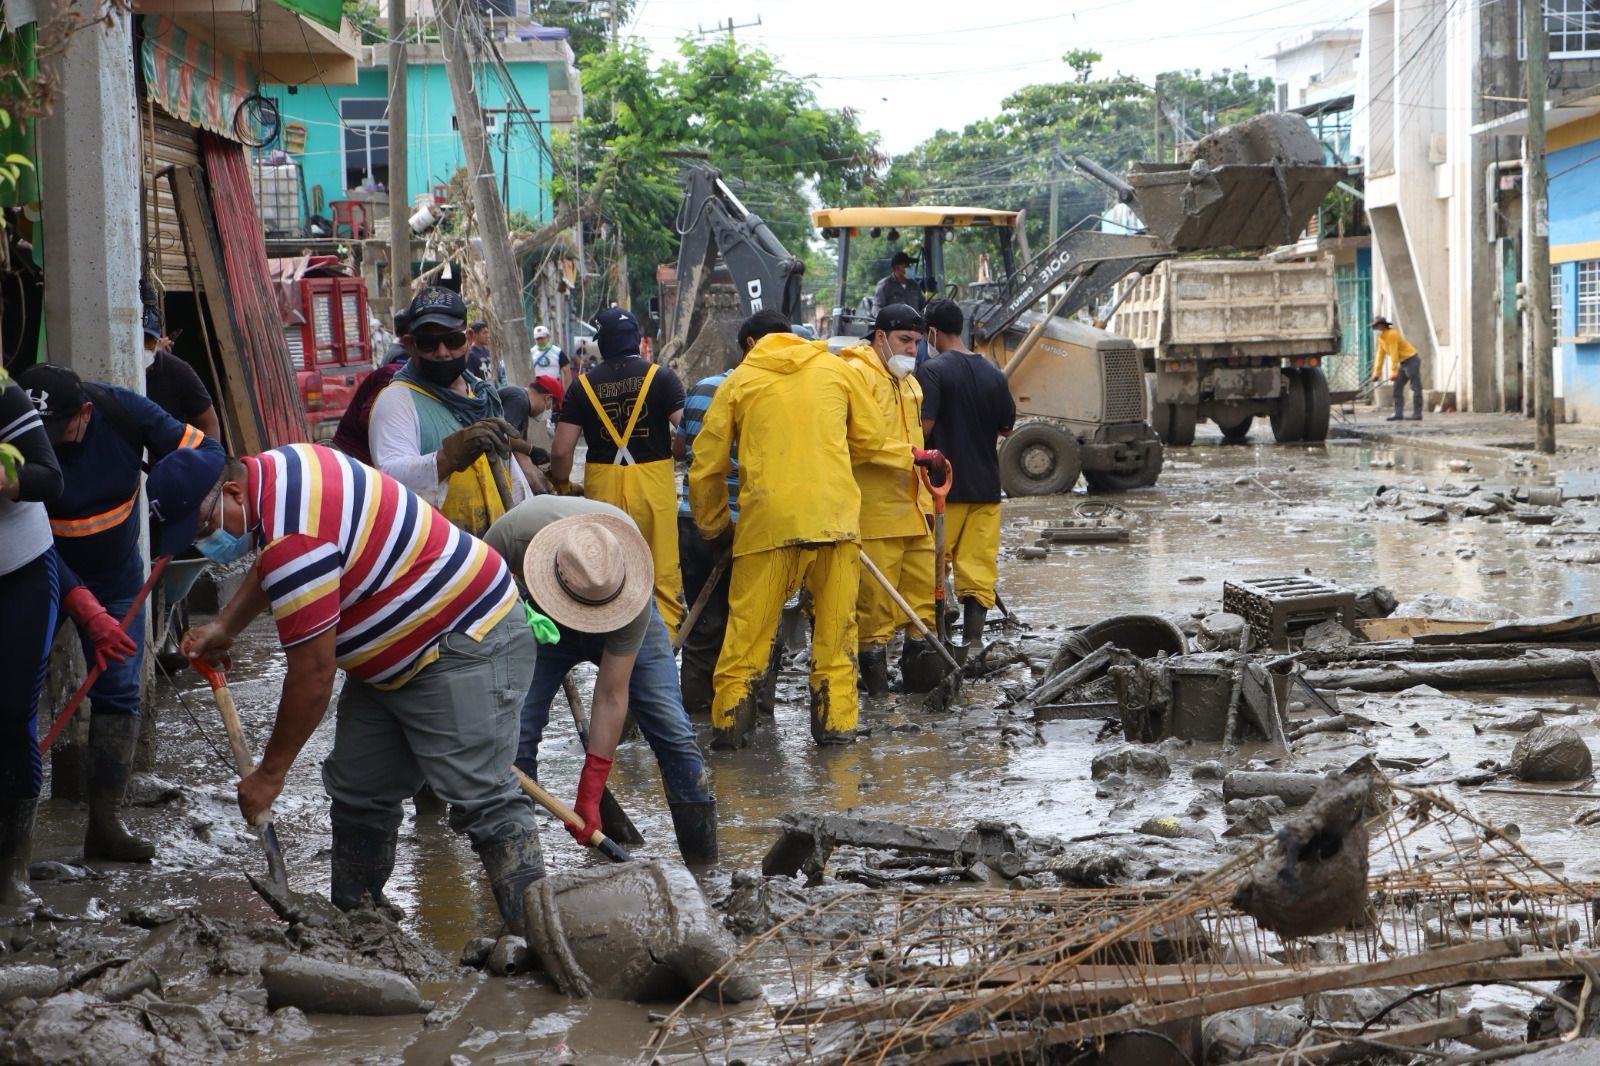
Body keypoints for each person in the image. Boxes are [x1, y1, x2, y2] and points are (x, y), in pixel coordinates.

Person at [163, 443, 545, 930]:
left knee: (482, 797)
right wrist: (226, 625)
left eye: (204, 529)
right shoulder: (277, 474)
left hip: (463, 638)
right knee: (358, 789)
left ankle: (537, 937)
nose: (207, 544)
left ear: (235, 492)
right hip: (396, 656)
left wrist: (270, 775)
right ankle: (359, 925)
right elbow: (273, 565)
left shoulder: (294, 536)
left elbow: (313, 676)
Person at [15, 361, 222, 862]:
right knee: (16, 689)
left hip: (117, 579)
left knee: (121, 687)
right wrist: (82, 605)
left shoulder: (121, 410)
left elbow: (208, 453)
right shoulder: (14, 440)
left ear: (85, 413)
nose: (46, 446)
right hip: (37, 572)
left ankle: (106, 825)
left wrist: (185, 499)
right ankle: (13, 845)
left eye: (57, 431)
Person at [688, 309, 892, 749]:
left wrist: (715, 528)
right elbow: (872, 439)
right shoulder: (837, 370)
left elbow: (705, 467)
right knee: (836, 638)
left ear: (750, 344)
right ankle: (836, 737)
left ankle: (730, 738)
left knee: (745, 642)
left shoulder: (739, 382)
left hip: (766, 527)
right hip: (835, 523)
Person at [483, 498, 717, 866]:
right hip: (540, 617)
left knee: (672, 729)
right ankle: (516, 867)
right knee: (514, 734)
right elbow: (472, 617)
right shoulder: (511, 536)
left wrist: (591, 789)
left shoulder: (627, 582)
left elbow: (610, 694)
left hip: (621, 614)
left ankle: (705, 872)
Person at [672, 319, 784, 719]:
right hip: (754, 523)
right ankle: (754, 710)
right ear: (751, 344)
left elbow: (681, 450)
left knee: (702, 622)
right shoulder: (777, 392)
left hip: (695, 518)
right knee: (757, 625)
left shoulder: (703, 388)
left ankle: (697, 714)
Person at [550, 308, 687, 631]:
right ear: (636, 340)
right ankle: (665, 641)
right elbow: (688, 430)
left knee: (607, 571)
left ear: (602, 343)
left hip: (603, 488)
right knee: (661, 569)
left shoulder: (581, 387)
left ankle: (612, 638)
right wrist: (677, 452)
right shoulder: (662, 378)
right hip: (654, 486)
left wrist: (562, 483)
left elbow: (561, 451)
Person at [838, 304, 946, 695]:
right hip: (876, 514)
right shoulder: (855, 375)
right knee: (875, 610)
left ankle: (921, 691)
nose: (912, 349)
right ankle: (878, 699)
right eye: (904, 340)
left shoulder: (909, 382)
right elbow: (860, 442)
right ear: (880, 336)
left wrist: (926, 494)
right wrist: (914, 456)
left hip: (914, 510)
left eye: (916, 342)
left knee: (923, 603)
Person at [368, 287, 532, 537]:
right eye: (429, 343)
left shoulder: (481, 395)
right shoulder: (396, 400)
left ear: (468, 339)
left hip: (494, 545)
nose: (443, 352)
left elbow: (512, 475)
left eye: (452, 341)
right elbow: (390, 479)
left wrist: (525, 530)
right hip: (441, 550)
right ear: (411, 345)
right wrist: (449, 457)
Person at [0, 373, 69, 907]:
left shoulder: (4, 395)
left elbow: (50, 477)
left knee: (11, 715)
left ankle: (12, 871)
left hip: (19, 571)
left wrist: (8, 479)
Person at [916, 298, 1016, 661]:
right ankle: (973, 643)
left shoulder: (932, 372)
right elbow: (1006, 428)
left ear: (931, 332)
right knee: (979, 568)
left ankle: (939, 638)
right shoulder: (994, 373)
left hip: (942, 489)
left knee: (931, 564)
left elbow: (923, 429)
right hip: (987, 488)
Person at [331, 309, 409, 466]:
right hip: (358, 460)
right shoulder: (398, 369)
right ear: (410, 342)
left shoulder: (396, 352)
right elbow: (370, 418)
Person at [142, 310, 221, 440]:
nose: (141, 349)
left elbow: (209, 423)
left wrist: (208, 453)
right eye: (137, 341)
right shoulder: (109, 368)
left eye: (148, 342)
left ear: (157, 342)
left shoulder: (177, 370)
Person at [498, 374, 563, 478]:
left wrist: (540, 486)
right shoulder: (519, 399)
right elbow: (504, 436)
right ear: (548, 398)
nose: (550, 411)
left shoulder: (524, 407)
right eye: (553, 407)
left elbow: (520, 453)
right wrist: (531, 450)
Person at [1371, 316, 1421, 422]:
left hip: (1411, 359)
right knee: (1397, 388)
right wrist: (1376, 373)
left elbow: (1394, 354)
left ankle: (1417, 414)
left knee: (1415, 387)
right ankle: (1398, 414)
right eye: (1374, 327)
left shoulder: (1392, 334)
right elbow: (1380, 355)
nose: (1375, 329)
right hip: (1403, 363)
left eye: (1376, 326)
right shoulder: (1381, 338)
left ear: (1383, 326)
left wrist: (1393, 372)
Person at [531, 325, 571, 389]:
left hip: (554, 387)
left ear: (548, 337)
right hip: (537, 388)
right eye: (537, 339)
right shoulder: (531, 352)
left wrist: (568, 390)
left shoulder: (557, 351)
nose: (540, 340)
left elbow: (567, 371)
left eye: (542, 338)